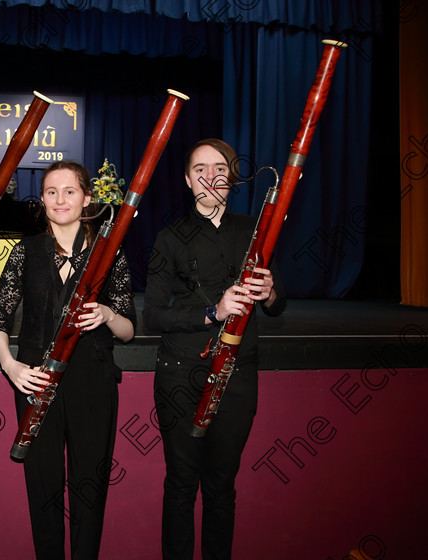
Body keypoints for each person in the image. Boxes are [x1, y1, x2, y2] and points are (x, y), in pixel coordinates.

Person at [143, 139, 287, 560]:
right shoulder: (169, 238)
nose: (210, 176)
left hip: (238, 374)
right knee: (182, 484)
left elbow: (278, 308)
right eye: (200, 168)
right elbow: (152, 315)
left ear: (232, 177)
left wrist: (270, 293)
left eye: (219, 168)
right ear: (188, 181)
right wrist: (213, 311)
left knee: (222, 486)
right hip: (180, 371)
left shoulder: (254, 230)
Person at [0, 160, 135, 560]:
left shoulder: (109, 252)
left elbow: (129, 330)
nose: (60, 199)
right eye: (51, 192)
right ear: (42, 200)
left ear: (86, 198)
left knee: (89, 488)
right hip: (34, 380)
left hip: (93, 380)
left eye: (69, 191)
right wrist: (10, 365)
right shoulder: (24, 251)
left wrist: (107, 315)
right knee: (43, 489)